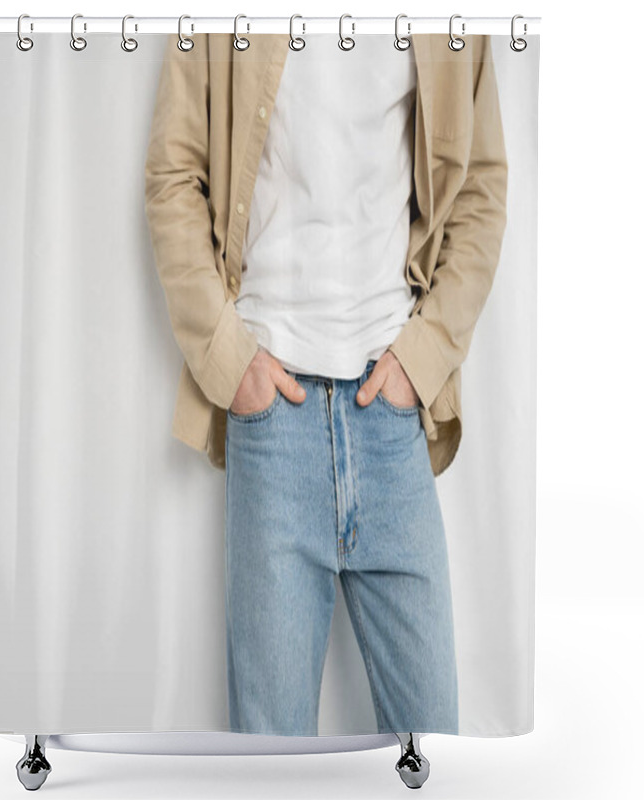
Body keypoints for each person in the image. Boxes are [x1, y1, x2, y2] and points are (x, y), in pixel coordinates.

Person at [145, 30, 508, 737]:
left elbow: (481, 190)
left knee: (433, 750)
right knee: (270, 757)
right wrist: (231, 361)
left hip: (392, 414)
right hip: (273, 418)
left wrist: (423, 357)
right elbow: (172, 175)